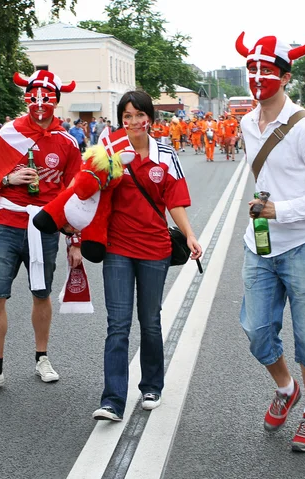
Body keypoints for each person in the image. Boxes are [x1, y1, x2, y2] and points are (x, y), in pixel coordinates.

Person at [235, 31, 305, 452]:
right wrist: (267, 211)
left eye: (266, 70)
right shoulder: (247, 122)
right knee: (257, 330)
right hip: (260, 243)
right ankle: (286, 387)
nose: (258, 77)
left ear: (285, 77)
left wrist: (279, 210)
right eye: (252, 69)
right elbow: (265, 176)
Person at [0, 70, 83, 394]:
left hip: (44, 227)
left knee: (41, 294)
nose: (40, 102)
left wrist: (75, 240)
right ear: (26, 96)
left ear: (56, 99)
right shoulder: (9, 133)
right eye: (35, 95)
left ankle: (42, 358)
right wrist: (8, 179)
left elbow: (76, 194)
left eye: (47, 96)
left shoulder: (67, 142)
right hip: (7, 224)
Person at [92, 91, 203, 421]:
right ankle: (112, 400)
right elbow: (87, 190)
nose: (134, 122)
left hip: (155, 248)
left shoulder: (166, 153)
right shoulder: (107, 150)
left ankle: (152, 384)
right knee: (118, 325)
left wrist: (190, 235)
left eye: (139, 115)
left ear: (150, 118)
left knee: (150, 322)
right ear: (121, 119)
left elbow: (176, 201)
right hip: (117, 248)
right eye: (127, 116)